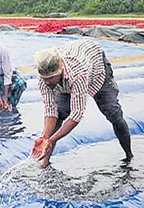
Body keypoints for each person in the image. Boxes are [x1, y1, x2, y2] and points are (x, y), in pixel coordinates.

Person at [31, 40, 133, 168]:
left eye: (51, 78)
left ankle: (129, 156)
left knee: (113, 113)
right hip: (72, 72)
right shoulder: (44, 77)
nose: (47, 82)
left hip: (96, 69)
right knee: (59, 113)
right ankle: (44, 163)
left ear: (60, 70)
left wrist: (52, 140)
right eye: (45, 79)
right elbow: (50, 110)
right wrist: (44, 138)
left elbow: (76, 114)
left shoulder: (77, 74)